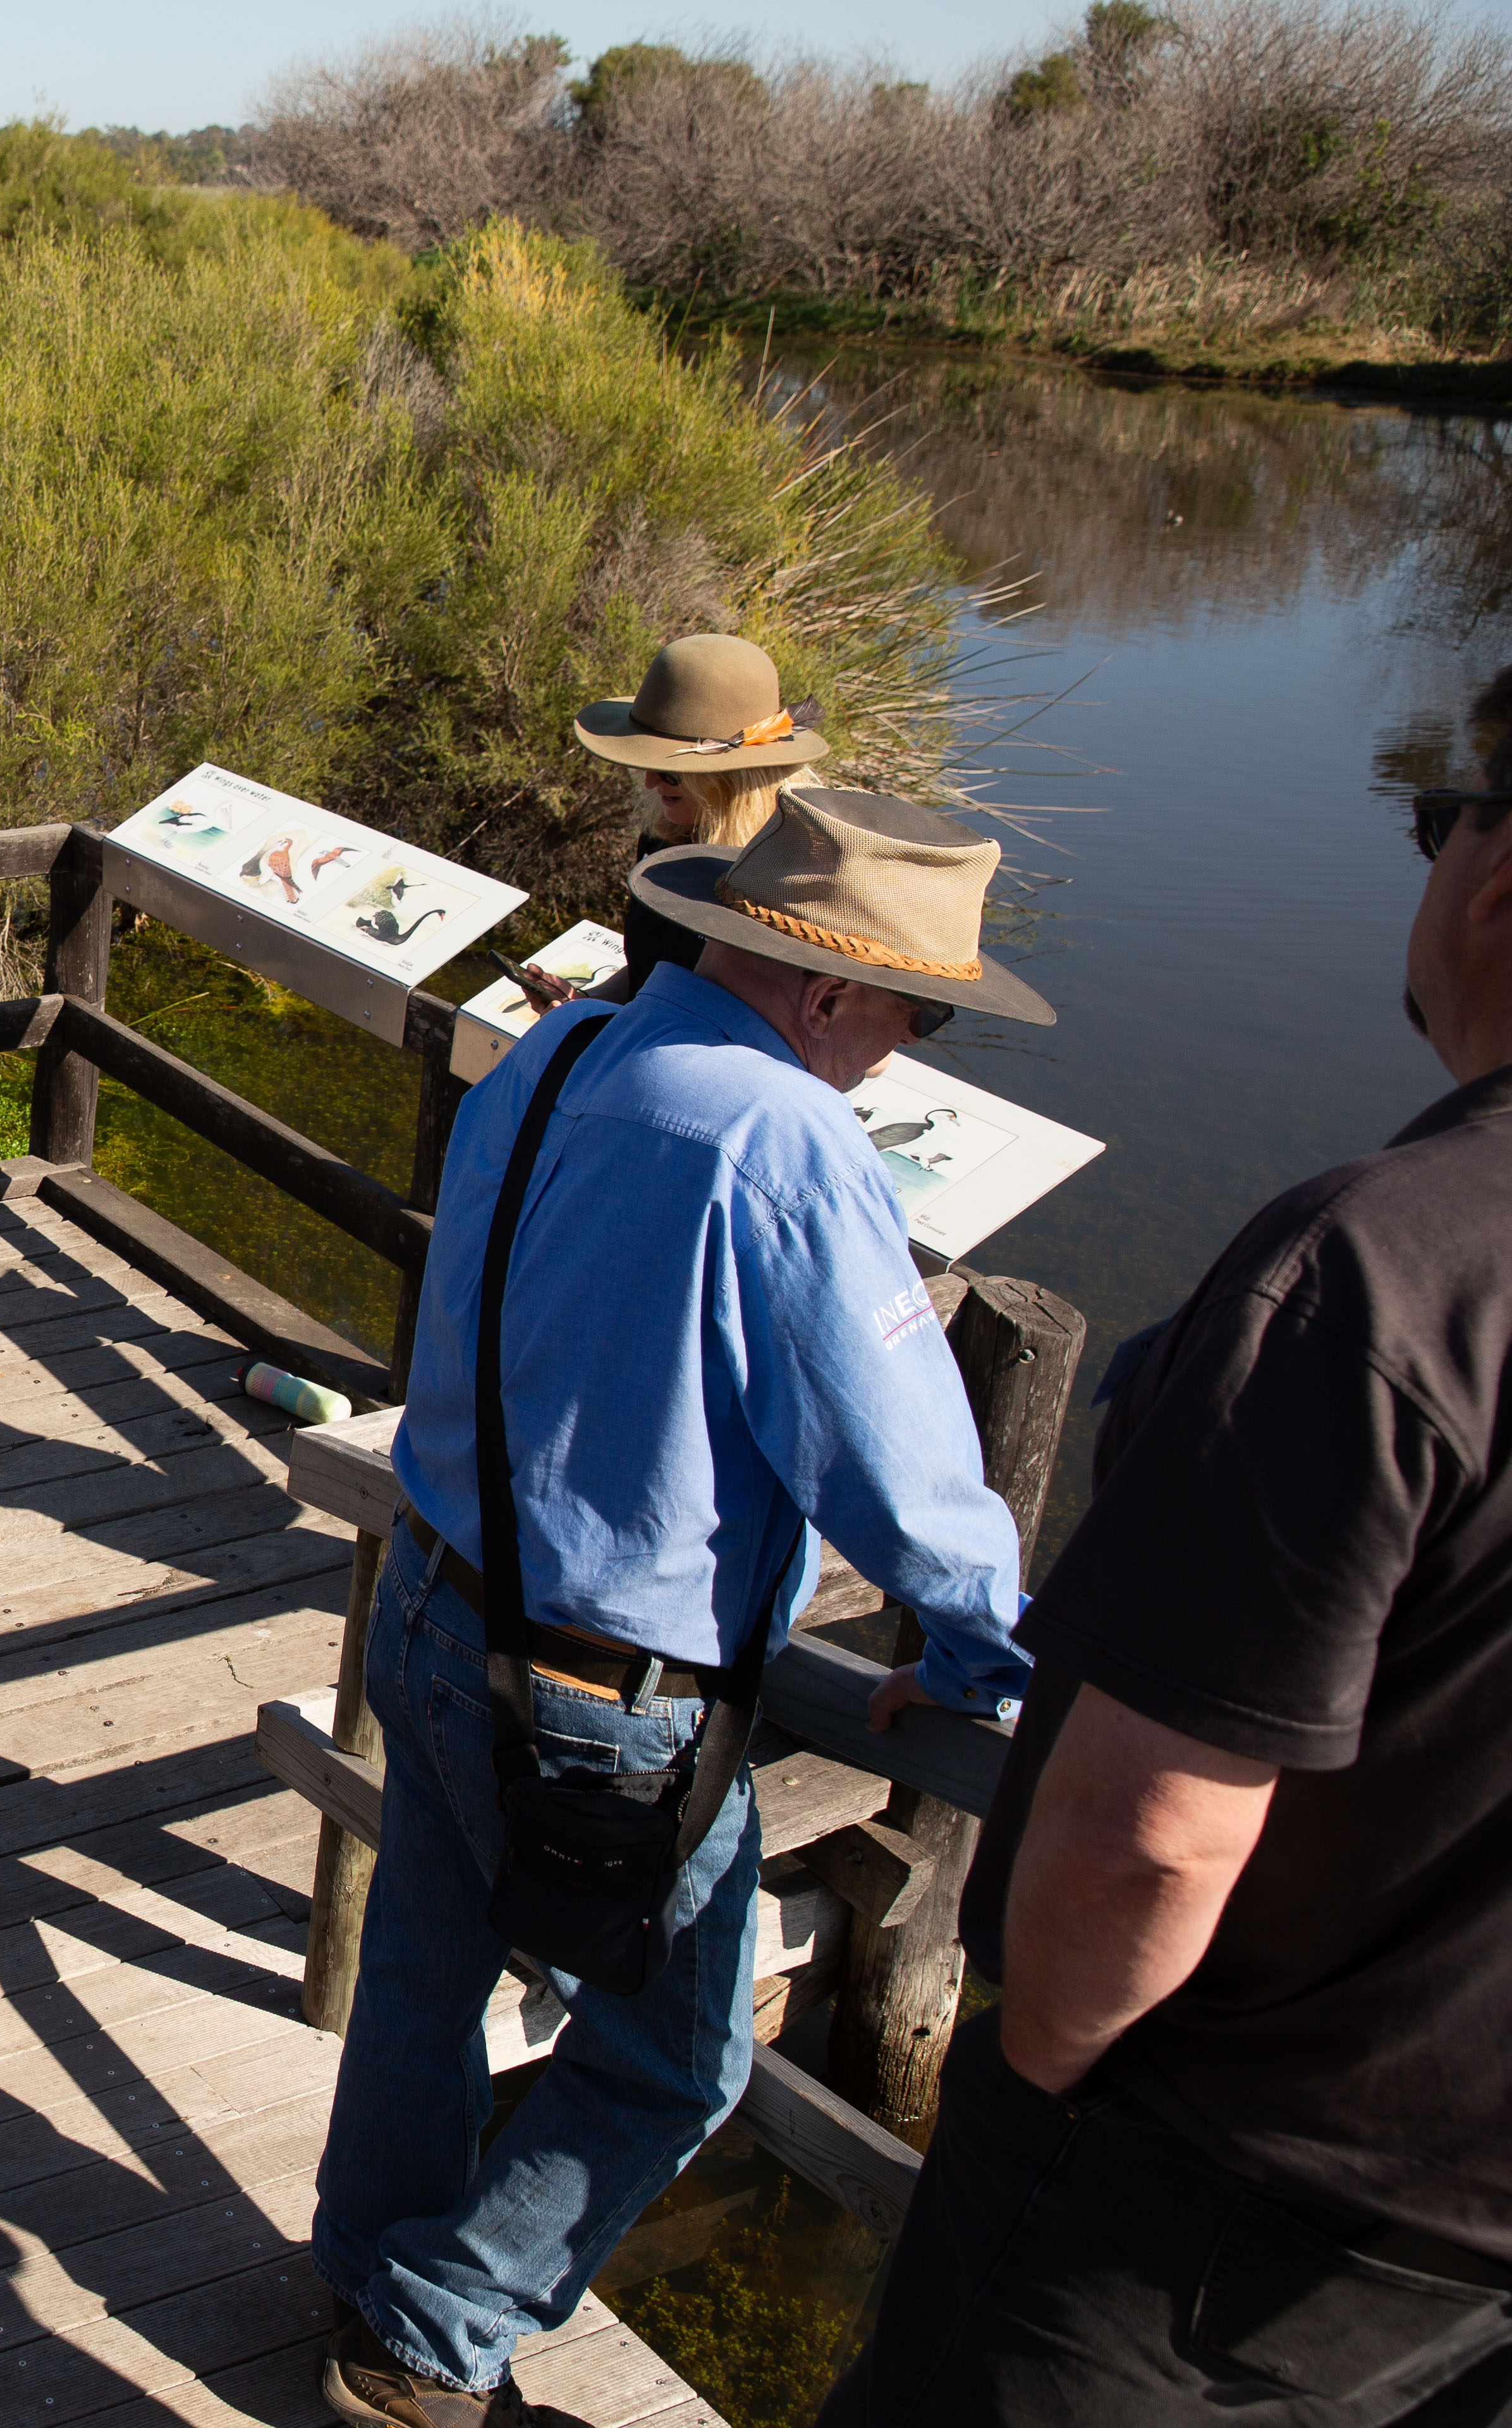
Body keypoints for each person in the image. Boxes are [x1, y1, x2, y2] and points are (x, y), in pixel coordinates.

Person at [819, 677, 1512, 2425]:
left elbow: (1149, 1836)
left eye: (1440, 823)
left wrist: (1045, 2082)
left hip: (1207, 2219)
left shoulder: (1381, 1274)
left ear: (1499, 880)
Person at [312, 790, 1051, 2427]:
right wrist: (982, 1653)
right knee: (683, 2049)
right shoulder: (790, 1144)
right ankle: (431, 2332)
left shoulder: (562, 1049)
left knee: (421, 1993)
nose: (911, 1046)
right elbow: (905, 1472)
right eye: (922, 1013)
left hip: (433, 1601)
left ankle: (363, 2258)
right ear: (830, 989)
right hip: (602, 1683)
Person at [540, 633, 829, 1010]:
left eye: (671, 772)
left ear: (733, 778)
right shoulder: (664, 839)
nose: (649, 782)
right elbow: (653, 969)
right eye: (650, 764)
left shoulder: (805, 874)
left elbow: (871, 1051)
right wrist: (583, 1005)